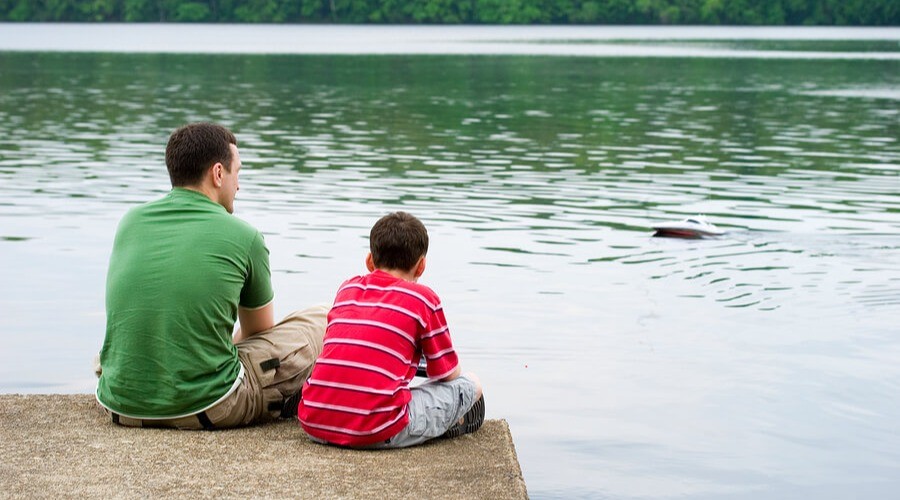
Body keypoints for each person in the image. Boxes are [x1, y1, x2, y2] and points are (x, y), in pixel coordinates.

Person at [96, 122, 326, 429]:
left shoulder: (130, 221)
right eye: (237, 173)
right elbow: (259, 330)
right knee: (322, 318)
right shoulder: (245, 236)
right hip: (211, 404)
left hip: (119, 404)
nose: (239, 185)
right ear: (218, 174)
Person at [297, 211, 484, 448]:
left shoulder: (347, 289)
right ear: (421, 266)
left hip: (314, 423)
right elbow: (446, 374)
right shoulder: (424, 298)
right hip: (378, 431)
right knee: (470, 384)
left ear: (370, 261)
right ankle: (446, 421)